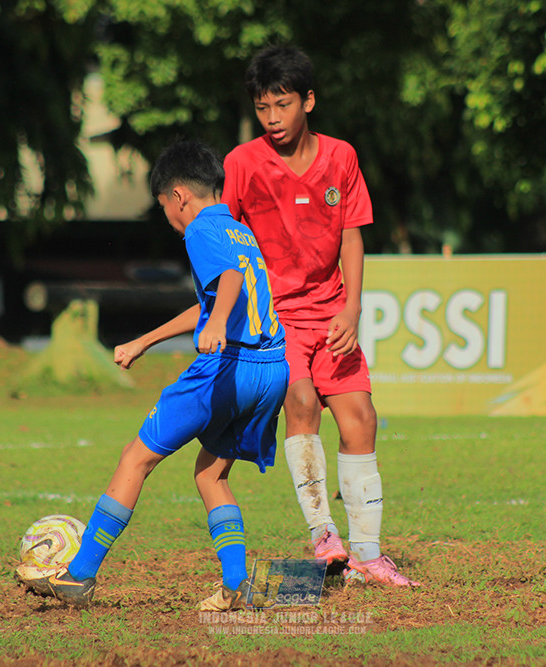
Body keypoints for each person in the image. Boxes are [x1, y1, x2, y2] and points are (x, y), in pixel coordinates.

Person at [23, 140, 289, 610]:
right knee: (211, 475)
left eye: (164, 204)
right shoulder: (237, 230)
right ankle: (235, 585)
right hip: (271, 369)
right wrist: (147, 340)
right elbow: (214, 296)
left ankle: (79, 575)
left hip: (228, 366)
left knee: (135, 458)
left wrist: (216, 325)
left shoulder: (200, 232)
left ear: (179, 196)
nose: (166, 215)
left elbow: (226, 284)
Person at [222, 45, 419, 586]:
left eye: (282, 105)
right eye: (263, 108)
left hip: (333, 312)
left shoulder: (342, 157)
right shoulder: (242, 164)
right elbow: (226, 241)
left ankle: (369, 555)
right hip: (275, 318)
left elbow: (352, 236)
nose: (272, 119)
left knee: (361, 418)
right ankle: (322, 537)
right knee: (301, 401)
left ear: (308, 101)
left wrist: (352, 309)